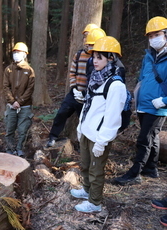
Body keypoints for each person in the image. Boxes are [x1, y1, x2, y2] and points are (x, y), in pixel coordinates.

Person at [71, 36, 127, 213]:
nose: (94, 61)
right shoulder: (96, 78)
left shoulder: (115, 85)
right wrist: (80, 127)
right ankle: (86, 191)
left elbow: (112, 117)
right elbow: (89, 106)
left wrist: (102, 141)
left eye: (99, 57)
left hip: (99, 136)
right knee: (86, 165)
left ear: (111, 58)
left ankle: (95, 202)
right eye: (94, 57)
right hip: (88, 131)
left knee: (96, 170)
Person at [114, 16, 167, 187]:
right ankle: (151, 168)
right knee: (153, 137)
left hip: (158, 107)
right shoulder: (149, 56)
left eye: (156, 34)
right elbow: (142, 78)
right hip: (144, 104)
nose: (153, 39)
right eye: (150, 36)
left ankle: (134, 173)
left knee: (144, 139)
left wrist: (164, 101)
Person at [45, 24, 99, 148]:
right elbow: (72, 72)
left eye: (89, 37)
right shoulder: (79, 55)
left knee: (85, 121)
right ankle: (53, 137)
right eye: (85, 37)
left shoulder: (97, 57)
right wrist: (74, 88)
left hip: (88, 96)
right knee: (62, 112)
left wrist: (86, 94)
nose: (86, 41)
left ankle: (83, 145)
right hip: (75, 92)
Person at [3, 42, 35, 157]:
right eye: (15, 52)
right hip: (11, 106)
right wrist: (12, 101)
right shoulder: (8, 70)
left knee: (22, 130)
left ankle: (20, 149)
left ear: (25, 54)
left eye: (19, 52)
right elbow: (5, 87)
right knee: (9, 129)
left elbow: (30, 89)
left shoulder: (29, 71)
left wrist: (20, 101)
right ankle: (10, 149)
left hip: (25, 106)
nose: (16, 54)